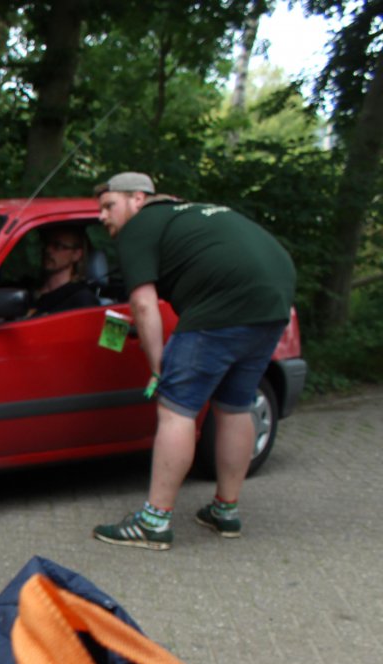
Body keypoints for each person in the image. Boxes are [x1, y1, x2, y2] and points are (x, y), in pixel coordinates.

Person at [91, 171, 295, 550]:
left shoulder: (140, 226)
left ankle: (154, 522)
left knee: (176, 410)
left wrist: (158, 367)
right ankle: (226, 510)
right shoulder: (195, 213)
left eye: (109, 206)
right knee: (235, 407)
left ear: (138, 199)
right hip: (274, 303)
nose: (103, 216)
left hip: (221, 310)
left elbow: (142, 302)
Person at [28, 224, 100, 316]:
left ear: (76, 254)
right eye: (46, 243)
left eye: (58, 246)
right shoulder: (27, 289)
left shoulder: (81, 300)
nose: (48, 250)